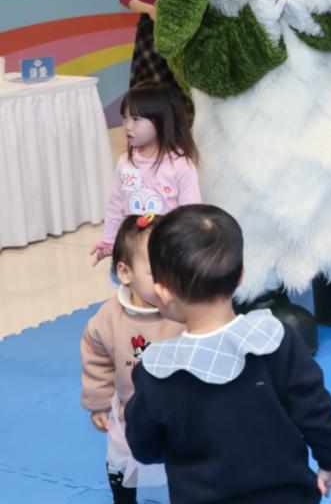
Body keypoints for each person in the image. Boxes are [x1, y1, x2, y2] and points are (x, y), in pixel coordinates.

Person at [125, 205, 331, 503]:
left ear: (163, 292)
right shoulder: (276, 340)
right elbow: (315, 409)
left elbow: (144, 447)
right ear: (241, 277)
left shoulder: (156, 371)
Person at [82, 214, 185, 504]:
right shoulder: (108, 317)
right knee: (120, 460)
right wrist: (99, 401)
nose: (171, 281)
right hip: (129, 411)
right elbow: (96, 359)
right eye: (157, 273)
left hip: (180, 412)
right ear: (126, 273)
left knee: (183, 467)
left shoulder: (185, 308)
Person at [91, 83, 200, 265]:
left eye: (136, 119)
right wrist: (109, 240)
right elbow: (117, 204)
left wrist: (186, 251)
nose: (127, 126)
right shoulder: (126, 162)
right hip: (132, 249)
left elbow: (191, 213)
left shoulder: (180, 166)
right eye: (124, 118)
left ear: (161, 120)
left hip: (166, 251)